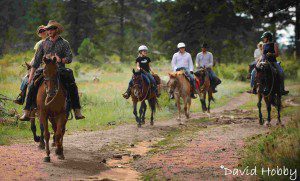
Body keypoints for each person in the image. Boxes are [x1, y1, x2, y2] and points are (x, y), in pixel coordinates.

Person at [19, 20, 85, 121]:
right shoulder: (43, 44)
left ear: (56, 30)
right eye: (47, 29)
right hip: (45, 69)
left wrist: (61, 60)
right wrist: (31, 76)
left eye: (51, 29)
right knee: (32, 85)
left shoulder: (64, 43)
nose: (48, 31)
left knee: (72, 84)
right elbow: (36, 61)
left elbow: (69, 58)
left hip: (60, 69)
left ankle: (77, 110)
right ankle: (27, 111)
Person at [14, 25, 48, 105]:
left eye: (43, 31)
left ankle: (22, 98)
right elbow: (36, 56)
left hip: (46, 64)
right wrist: (31, 63)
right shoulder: (38, 43)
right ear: (39, 34)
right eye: (40, 32)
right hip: (39, 64)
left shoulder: (50, 41)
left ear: (46, 31)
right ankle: (22, 97)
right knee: (26, 78)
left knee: (27, 78)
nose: (42, 32)